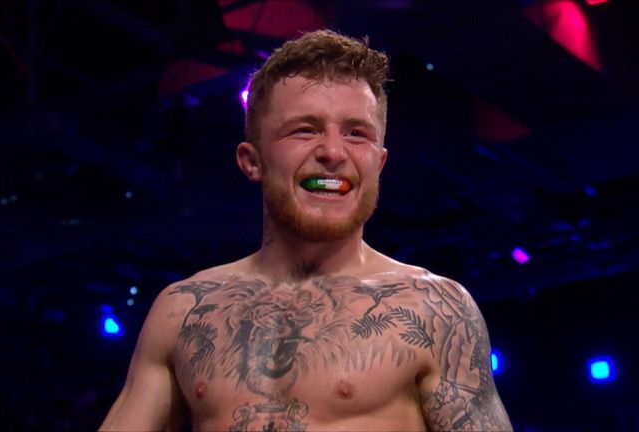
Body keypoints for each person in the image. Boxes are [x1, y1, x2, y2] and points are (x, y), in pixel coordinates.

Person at [100, 30, 512, 431]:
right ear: (252, 160)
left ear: (380, 163)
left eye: (356, 133)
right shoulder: (183, 311)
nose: (333, 152)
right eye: (305, 129)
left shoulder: (435, 310)